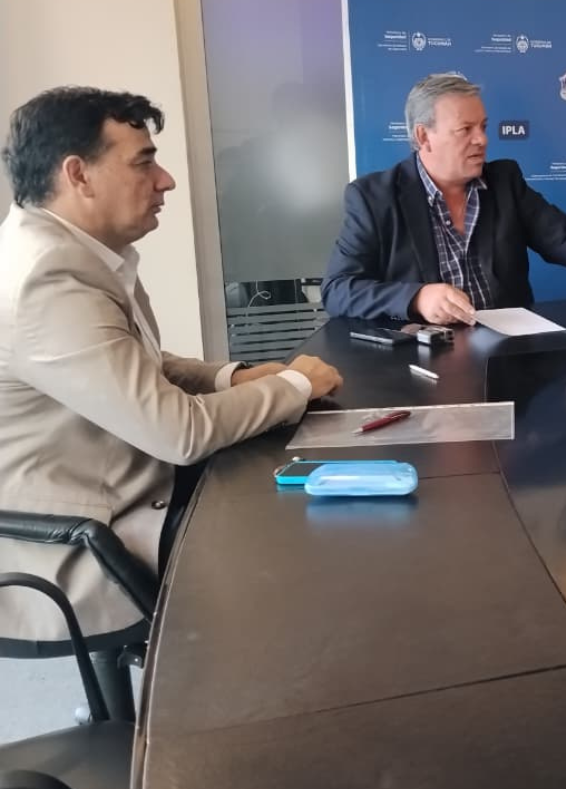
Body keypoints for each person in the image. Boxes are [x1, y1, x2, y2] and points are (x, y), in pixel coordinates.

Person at [0, 87, 343, 642]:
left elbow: (135, 362)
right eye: (144, 162)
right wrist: (296, 383)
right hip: (85, 542)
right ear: (78, 175)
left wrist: (231, 377)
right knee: (308, 548)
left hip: (123, 487)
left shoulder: (66, 251)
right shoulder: (49, 279)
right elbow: (178, 433)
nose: (166, 181)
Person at [321, 74, 566, 325]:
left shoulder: (504, 181)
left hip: (511, 360)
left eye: (483, 127)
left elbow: (563, 238)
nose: (482, 139)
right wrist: (416, 298)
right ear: (423, 136)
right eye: (465, 130)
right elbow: (338, 290)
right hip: (423, 368)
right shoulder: (374, 198)